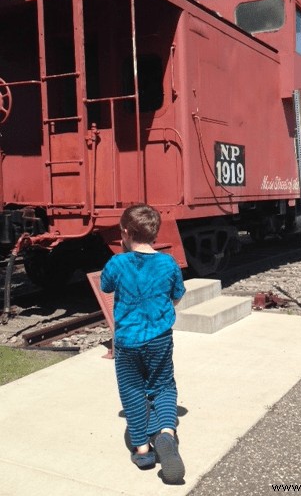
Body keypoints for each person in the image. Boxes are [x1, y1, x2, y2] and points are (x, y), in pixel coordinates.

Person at [100, 203, 186, 484]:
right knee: (163, 386)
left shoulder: (117, 263)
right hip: (160, 338)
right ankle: (165, 434)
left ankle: (143, 450)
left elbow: (106, 286)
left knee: (132, 390)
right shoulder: (167, 262)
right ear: (155, 233)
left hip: (127, 342)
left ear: (125, 232)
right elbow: (177, 294)